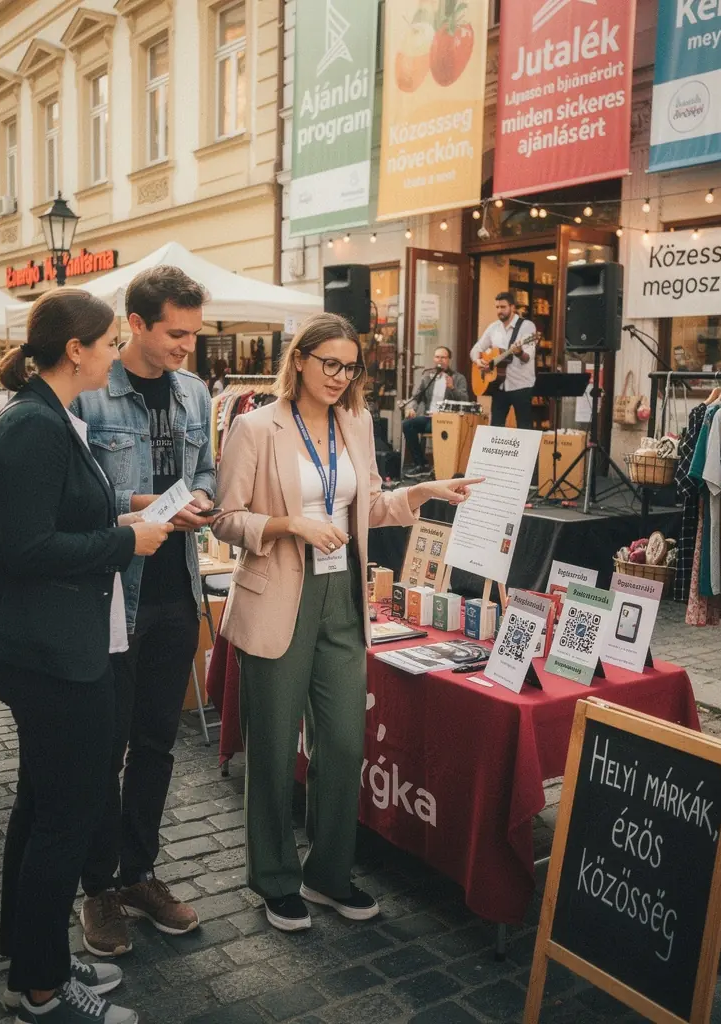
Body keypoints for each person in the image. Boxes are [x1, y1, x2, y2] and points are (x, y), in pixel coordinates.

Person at [212, 312, 480, 932]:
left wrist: (423, 491)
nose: (338, 377)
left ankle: (328, 875)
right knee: (275, 749)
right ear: (299, 359)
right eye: (327, 363)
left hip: (344, 597)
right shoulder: (256, 426)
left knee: (342, 744)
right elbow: (226, 519)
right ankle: (275, 879)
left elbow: (371, 506)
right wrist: (288, 525)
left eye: (349, 366)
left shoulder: (355, 423)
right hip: (279, 594)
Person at [0, 288, 172, 1024]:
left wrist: (126, 515)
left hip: (61, 641)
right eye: (110, 340)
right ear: (75, 349)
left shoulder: (50, 417)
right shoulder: (34, 425)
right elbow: (25, 549)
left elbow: (54, 520)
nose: (118, 351)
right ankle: (44, 990)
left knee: (41, 805)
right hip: (52, 650)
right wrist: (126, 542)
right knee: (65, 814)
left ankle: (33, 954)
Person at [74, 267, 215, 957]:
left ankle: (139, 874)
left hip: (174, 595)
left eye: (194, 332)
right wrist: (147, 507)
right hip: (111, 602)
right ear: (136, 324)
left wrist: (204, 503)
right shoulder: (94, 396)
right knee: (104, 749)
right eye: (176, 333)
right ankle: (96, 887)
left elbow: (207, 471)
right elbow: (79, 499)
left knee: (157, 745)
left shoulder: (195, 393)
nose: (188, 346)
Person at [470, 291, 538, 428]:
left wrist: (519, 353)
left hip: (521, 385)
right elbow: (476, 349)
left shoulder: (527, 326)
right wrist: (478, 361)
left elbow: (527, 358)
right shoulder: (493, 327)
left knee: (525, 429)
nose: (499, 310)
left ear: (512, 307)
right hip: (499, 385)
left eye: (503, 307)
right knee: (495, 427)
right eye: (497, 307)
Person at [402, 346, 470, 477]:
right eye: (437, 357)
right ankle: (421, 464)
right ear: (434, 359)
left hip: (448, 419)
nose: (440, 360)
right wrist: (410, 408)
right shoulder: (427, 377)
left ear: (449, 360)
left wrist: (452, 388)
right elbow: (416, 396)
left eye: (443, 357)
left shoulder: (458, 378)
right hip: (429, 417)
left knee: (439, 428)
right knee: (407, 424)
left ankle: (441, 468)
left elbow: (465, 399)